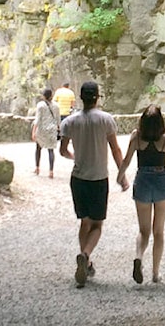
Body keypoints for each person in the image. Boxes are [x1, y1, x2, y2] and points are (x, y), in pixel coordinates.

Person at [59, 81, 129, 288]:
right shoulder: (106, 120)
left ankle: (85, 262)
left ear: (80, 97)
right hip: (99, 178)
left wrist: (75, 157)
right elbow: (116, 150)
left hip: (78, 178)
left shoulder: (70, 122)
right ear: (98, 97)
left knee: (85, 221)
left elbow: (63, 150)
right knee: (97, 225)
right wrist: (122, 174)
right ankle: (85, 255)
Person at [116, 105, 165, 284]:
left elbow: (127, 160)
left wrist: (120, 177)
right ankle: (155, 273)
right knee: (158, 231)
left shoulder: (136, 136)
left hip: (142, 180)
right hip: (161, 182)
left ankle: (138, 257)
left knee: (143, 231)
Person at [31, 88, 60, 178]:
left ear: (43, 96)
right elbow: (58, 119)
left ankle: (37, 168)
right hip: (52, 130)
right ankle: (51, 171)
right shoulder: (56, 106)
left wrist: (34, 131)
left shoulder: (40, 105)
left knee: (38, 149)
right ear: (52, 95)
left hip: (42, 130)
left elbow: (38, 119)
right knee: (51, 150)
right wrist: (58, 128)